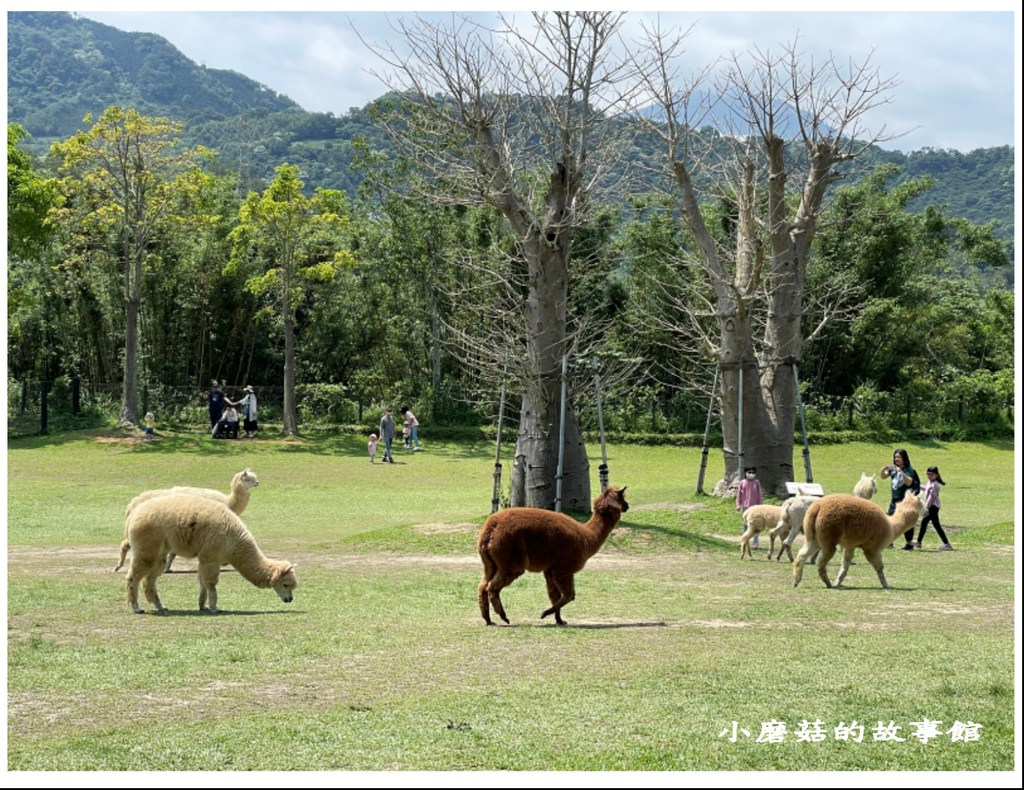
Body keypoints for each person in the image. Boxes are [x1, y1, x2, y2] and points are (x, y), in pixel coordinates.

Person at [881, 448, 920, 549]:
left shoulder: (909, 470)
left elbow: (909, 482)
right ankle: (889, 541)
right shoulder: (893, 469)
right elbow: (883, 477)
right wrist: (883, 470)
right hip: (895, 499)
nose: (896, 459)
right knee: (890, 517)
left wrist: (901, 472)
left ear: (904, 458)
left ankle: (909, 543)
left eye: (898, 457)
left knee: (906, 521)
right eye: (895, 457)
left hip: (905, 500)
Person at [917, 466, 952, 550]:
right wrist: (917, 485)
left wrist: (925, 508)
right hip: (931, 507)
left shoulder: (935, 485)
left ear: (936, 475)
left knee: (928, 524)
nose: (929, 476)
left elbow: (931, 498)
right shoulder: (930, 482)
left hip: (933, 507)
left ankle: (919, 542)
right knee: (931, 524)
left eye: (931, 474)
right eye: (928, 474)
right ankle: (919, 542)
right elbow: (926, 489)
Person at [735, 466, 763, 550]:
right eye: (749, 472)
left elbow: (759, 494)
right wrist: (738, 504)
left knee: (756, 525)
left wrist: (760, 505)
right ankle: (744, 541)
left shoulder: (756, 482)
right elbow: (739, 494)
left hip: (755, 507)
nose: (751, 474)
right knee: (745, 524)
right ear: (745, 473)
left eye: (753, 473)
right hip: (745, 506)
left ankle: (755, 542)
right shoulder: (742, 482)